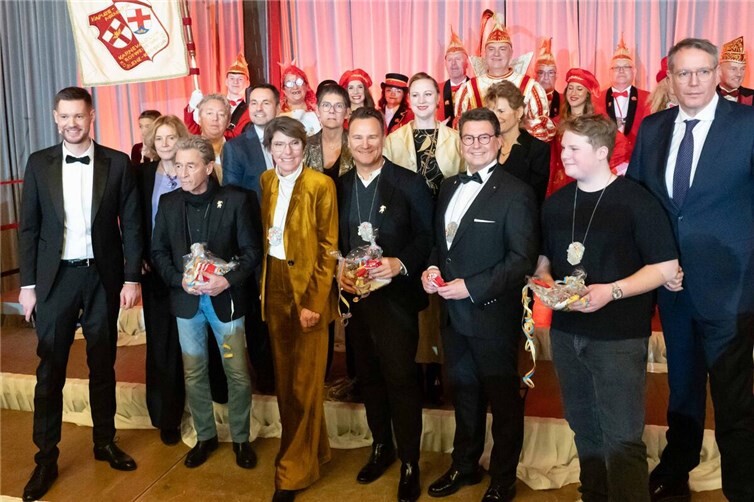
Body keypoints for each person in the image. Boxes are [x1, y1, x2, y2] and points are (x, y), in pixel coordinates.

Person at [627, 38, 754, 502]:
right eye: (684, 73)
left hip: (731, 289)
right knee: (682, 387)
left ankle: (743, 485)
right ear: (671, 79)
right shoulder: (653, 128)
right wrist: (658, 261)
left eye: (703, 71)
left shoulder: (748, 125)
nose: (694, 81)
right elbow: (640, 204)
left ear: (717, 73)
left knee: (734, 397)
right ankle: (677, 468)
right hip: (673, 288)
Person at [535, 114, 681, 501]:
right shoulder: (556, 203)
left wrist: (610, 292)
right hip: (567, 334)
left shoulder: (637, 201)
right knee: (583, 428)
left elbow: (666, 267)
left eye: (574, 148)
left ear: (602, 152)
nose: (564, 155)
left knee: (622, 436)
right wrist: (545, 280)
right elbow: (545, 259)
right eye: (563, 147)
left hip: (617, 337)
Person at [18, 86, 142, 501]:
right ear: (56, 118)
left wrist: (131, 278)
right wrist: (28, 286)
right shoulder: (39, 163)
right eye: (65, 116)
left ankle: (104, 441)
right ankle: (45, 458)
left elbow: (132, 225)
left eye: (79, 115)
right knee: (50, 369)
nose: (72, 123)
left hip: (102, 277)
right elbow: (29, 228)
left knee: (102, 363)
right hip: (55, 281)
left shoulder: (118, 163)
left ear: (92, 117)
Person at [421, 107, 539, 502]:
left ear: (499, 142)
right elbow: (442, 244)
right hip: (452, 318)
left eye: (484, 137)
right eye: (468, 138)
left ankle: (503, 478)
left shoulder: (517, 192)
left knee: (503, 403)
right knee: (464, 394)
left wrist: (470, 287)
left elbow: (521, 259)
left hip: (492, 316)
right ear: (459, 142)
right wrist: (432, 268)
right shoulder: (448, 186)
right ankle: (465, 465)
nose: (475, 145)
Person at [337, 106, 433, 502]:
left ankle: (410, 461)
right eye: (357, 137)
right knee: (369, 378)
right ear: (348, 141)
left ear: (383, 139)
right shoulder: (339, 185)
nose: (365, 144)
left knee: (401, 379)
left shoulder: (409, 183)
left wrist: (399, 263)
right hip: (356, 299)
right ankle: (381, 446)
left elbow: (427, 238)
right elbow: (334, 241)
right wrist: (339, 271)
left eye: (372, 136)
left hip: (395, 299)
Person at [151, 136, 261, 470]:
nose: (182, 173)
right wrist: (178, 280)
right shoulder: (169, 203)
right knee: (194, 372)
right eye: (178, 166)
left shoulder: (237, 200)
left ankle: (240, 438)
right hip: (186, 301)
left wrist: (226, 280)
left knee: (237, 373)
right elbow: (158, 251)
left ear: (209, 167)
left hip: (225, 300)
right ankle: (205, 436)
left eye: (190, 166)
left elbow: (252, 252)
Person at [258, 116, 339, 502]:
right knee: (286, 381)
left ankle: (290, 472)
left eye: (293, 144)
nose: (286, 151)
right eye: (279, 144)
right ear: (269, 148)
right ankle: (314, 453)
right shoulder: (266, 181)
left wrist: (313, 302)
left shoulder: (321, 185)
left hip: (308, 291)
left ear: (304, 148)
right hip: (274, 286)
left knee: (305, 383)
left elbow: (328, 248)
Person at [383, 72, 463, 405]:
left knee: (440, 299)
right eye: (415, 95)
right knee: (412, 301)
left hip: (447, 229)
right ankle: (416, 370)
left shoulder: (455, 139)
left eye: (428, 94)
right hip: (408, 233)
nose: (421, 100)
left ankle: (441, 370)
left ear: (438, 98)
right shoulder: (394, 140)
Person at [137, 114, 190, 446]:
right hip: (155, 270)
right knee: (162, 344)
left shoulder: (193, 169)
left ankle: (208, 408)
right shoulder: (142, 175)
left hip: (193, 270)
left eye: (171, 137)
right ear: (152, 144)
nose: (166, 143)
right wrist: (138, 256)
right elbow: (135, 219)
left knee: (197, 342)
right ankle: (166, 416)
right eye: (160, 138)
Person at [454, 13, 554, 142]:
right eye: (491, 49)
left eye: (502, 49)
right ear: (484, 53)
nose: (496, 54)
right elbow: (459, 130)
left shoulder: (530, 87)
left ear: (511, 53)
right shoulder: (468, 89)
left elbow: (543, 131)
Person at [548, 69, 630, 196]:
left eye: (579, 89)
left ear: (587, 94)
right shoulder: (556, 122)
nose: (573, 93)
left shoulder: (597, 121)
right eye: (570, 88)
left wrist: (604, 169)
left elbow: (621, 145)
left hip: (588, 179)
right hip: (562, 181)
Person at [484, 80, 550, 204]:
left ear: (519, 112)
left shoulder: (537, 150)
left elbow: (534, 198)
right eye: (491, 112)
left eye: (501, 111)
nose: (495, 117)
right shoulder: (486, 145)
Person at [223, 83, 280, 200]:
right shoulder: (235, 148)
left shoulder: (291, 141)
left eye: (266, 103)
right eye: (254, 103)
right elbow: (231, 196)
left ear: (278, 108)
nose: (259, 108)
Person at [603, 34, 649, 159]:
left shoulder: (649, 98)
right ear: (609, 72)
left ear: (634, 72)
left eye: (626, 67)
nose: (621, 70)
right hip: (606, 160)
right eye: (616, 67)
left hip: (638, 159)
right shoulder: (596, 99)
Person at [185, 53, 251, 139]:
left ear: (247, 83)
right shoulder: (213, 104)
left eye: (240, 79)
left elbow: (237, 138)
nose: (235, 82)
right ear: (226, 81)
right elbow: (194, 132)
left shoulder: (249, 112)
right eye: (232, 78)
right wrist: (191, 106)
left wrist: (209, 129)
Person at [304, 82, 354, 181]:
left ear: (347, 113)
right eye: (326, 105)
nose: (332, 111)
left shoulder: (356, 144)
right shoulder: (306, 145)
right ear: (317, 110)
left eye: (338, 106)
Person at [196, 93, 231, 183]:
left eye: (221, 114)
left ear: (228, 122)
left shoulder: (239, 149)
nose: (215, 118)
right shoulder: (190, 149)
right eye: (209, 113)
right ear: (199, 118)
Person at [279, 63, 321, 136]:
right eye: (289, 84)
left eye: (299, 82)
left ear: (307, 86)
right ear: (284, 90)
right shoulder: (279, 114)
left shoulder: (318, 111)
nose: (295, 87)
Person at [439, 27, 470, 125]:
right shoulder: (437, 89)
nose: (453, 63)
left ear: (467, 63)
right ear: (445, 64)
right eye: (449, 60)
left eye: (457, 59)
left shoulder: (475, 87)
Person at [716, 36, 753, 105]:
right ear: (719, 70)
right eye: (733, 69)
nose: (739, 74)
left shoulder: (752, 97)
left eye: (742, 69)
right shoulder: (708, 97)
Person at [534, 38, 560, 118]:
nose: (546, 77)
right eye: (541, 72)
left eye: (550, 72)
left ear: (556, 76)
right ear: (535, 76)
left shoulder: (565, 101)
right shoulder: (526, 99)